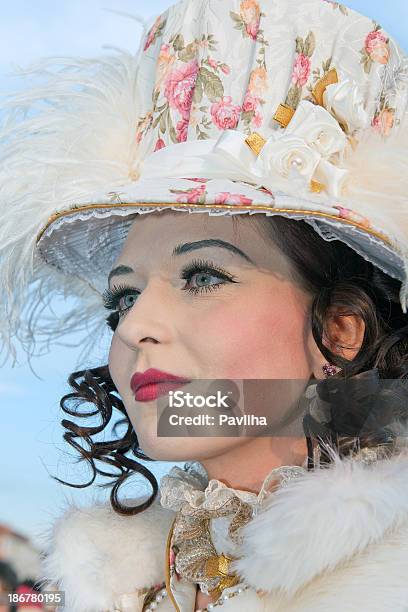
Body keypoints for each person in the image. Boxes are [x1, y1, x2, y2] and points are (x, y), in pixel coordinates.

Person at [1, 0, 408, 610]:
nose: (134, 325)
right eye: (122, 298)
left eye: (203, 276)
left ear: (340, 330)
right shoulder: (114, 586)